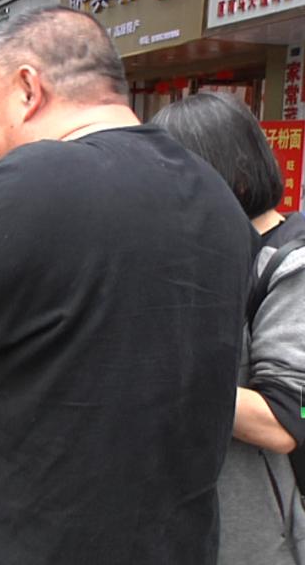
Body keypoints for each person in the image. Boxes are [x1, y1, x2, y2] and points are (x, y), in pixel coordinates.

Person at [0, 6, 255, 565]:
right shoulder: (218, 198)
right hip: (169, 539)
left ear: (29, 89)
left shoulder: (37, 177)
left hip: (26, 537)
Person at [152, 92, 305, 565]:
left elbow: (285, 420)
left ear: (231, 177)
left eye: (173, 175)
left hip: (253, 534)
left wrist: (142, 361)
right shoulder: (193, 256)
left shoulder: (290, 267)